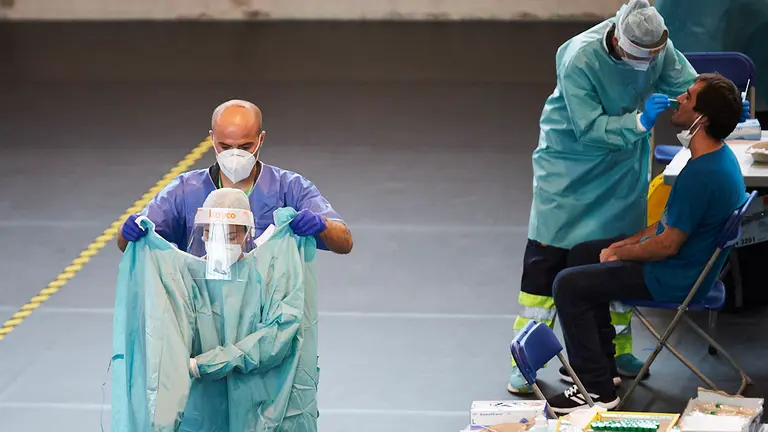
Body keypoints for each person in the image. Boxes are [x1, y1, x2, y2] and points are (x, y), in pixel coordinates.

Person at [508, 0, 748, 394]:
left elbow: (689, 88)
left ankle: (605, 364)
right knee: (549, 258)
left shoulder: (700, 172)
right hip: (570, 168)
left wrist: (714, 106)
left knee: (599, 265)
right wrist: (641, 121)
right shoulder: (579, 58)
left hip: (622, 169)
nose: (646, 67)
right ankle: (529, 359)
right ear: (617, 38)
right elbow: (588, 128)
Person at [545, 73, 747, 413]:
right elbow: (666, 224)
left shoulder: (703, 175)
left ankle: (595, 391)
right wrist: (623, 244)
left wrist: (618, 251)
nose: (679, 99)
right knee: (582, 255)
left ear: (702, 118)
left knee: (568, 285)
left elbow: (667, 244)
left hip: (674, 276)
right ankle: (600, 370)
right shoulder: (715, 158)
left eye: (688, 97)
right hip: (685, 263)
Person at [117, 99, 353, 255]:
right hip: (201, 310)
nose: (235, 154)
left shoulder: (289, 188)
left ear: (261, 139)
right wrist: (127, 231)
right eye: (226, 146)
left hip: (268, 317)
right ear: (212, 139)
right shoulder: (184, 190)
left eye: (245, 145)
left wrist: (321, 225)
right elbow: (126, 242)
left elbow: (344, 242)